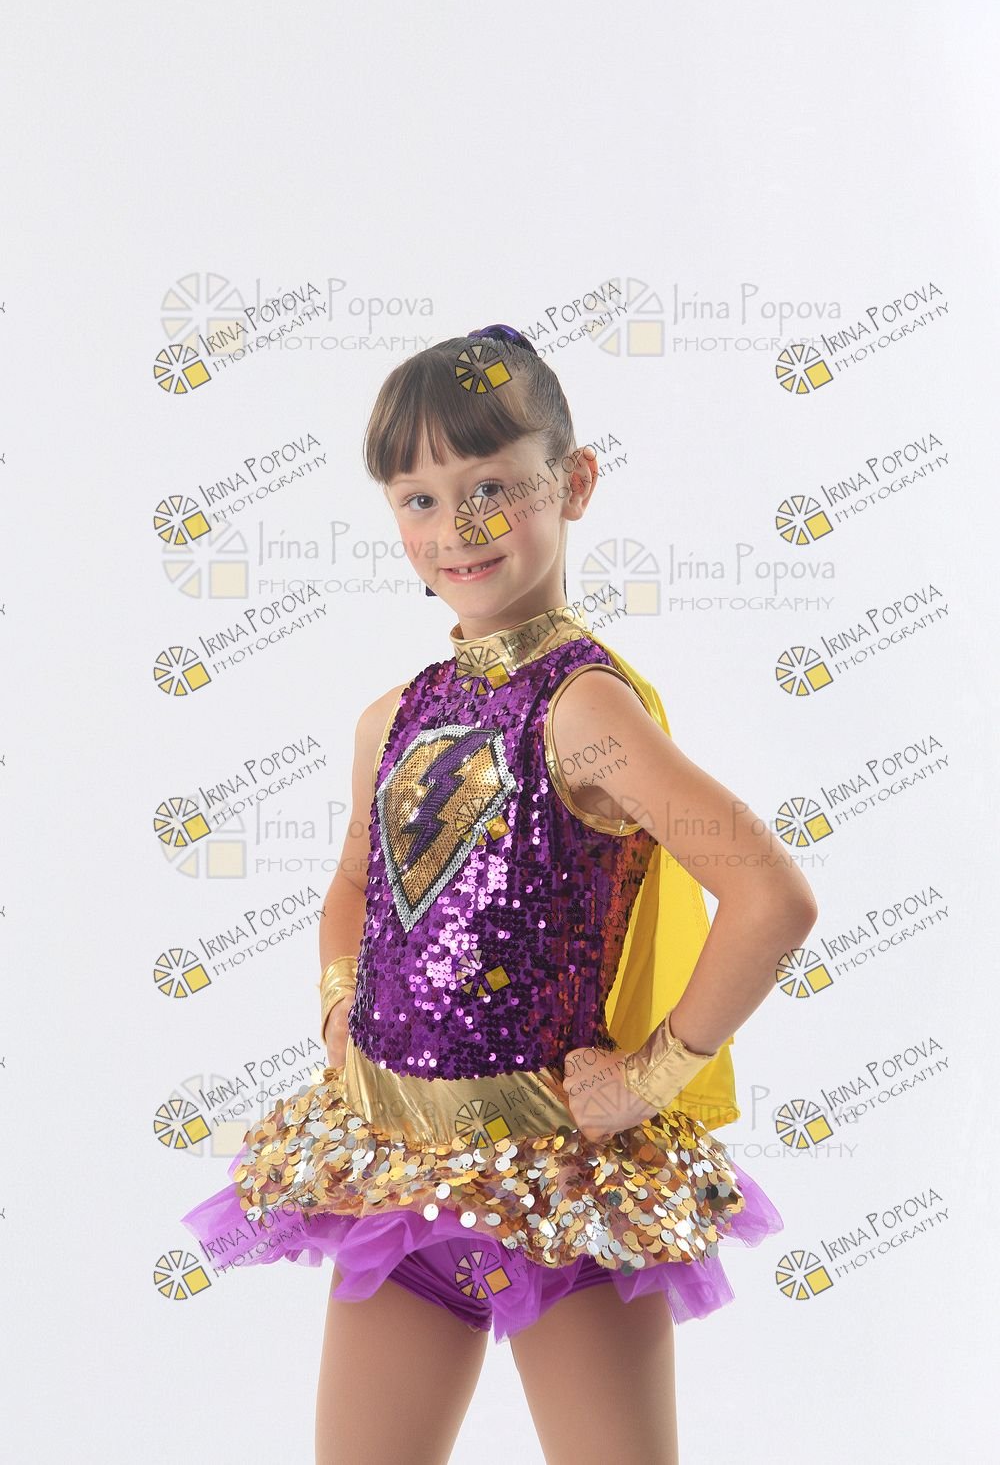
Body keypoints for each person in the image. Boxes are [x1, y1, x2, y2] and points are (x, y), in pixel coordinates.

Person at [181, 324, 818, 1465]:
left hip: (556, 1196)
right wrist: (339, 1003)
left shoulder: (583, 713)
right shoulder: (393, 715)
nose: (457, 528)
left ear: (573, 483)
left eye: (489, 487)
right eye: (418, 500)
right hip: (395, 1181)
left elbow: (770, 896)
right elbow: (353, 882)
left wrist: (649, 1077)